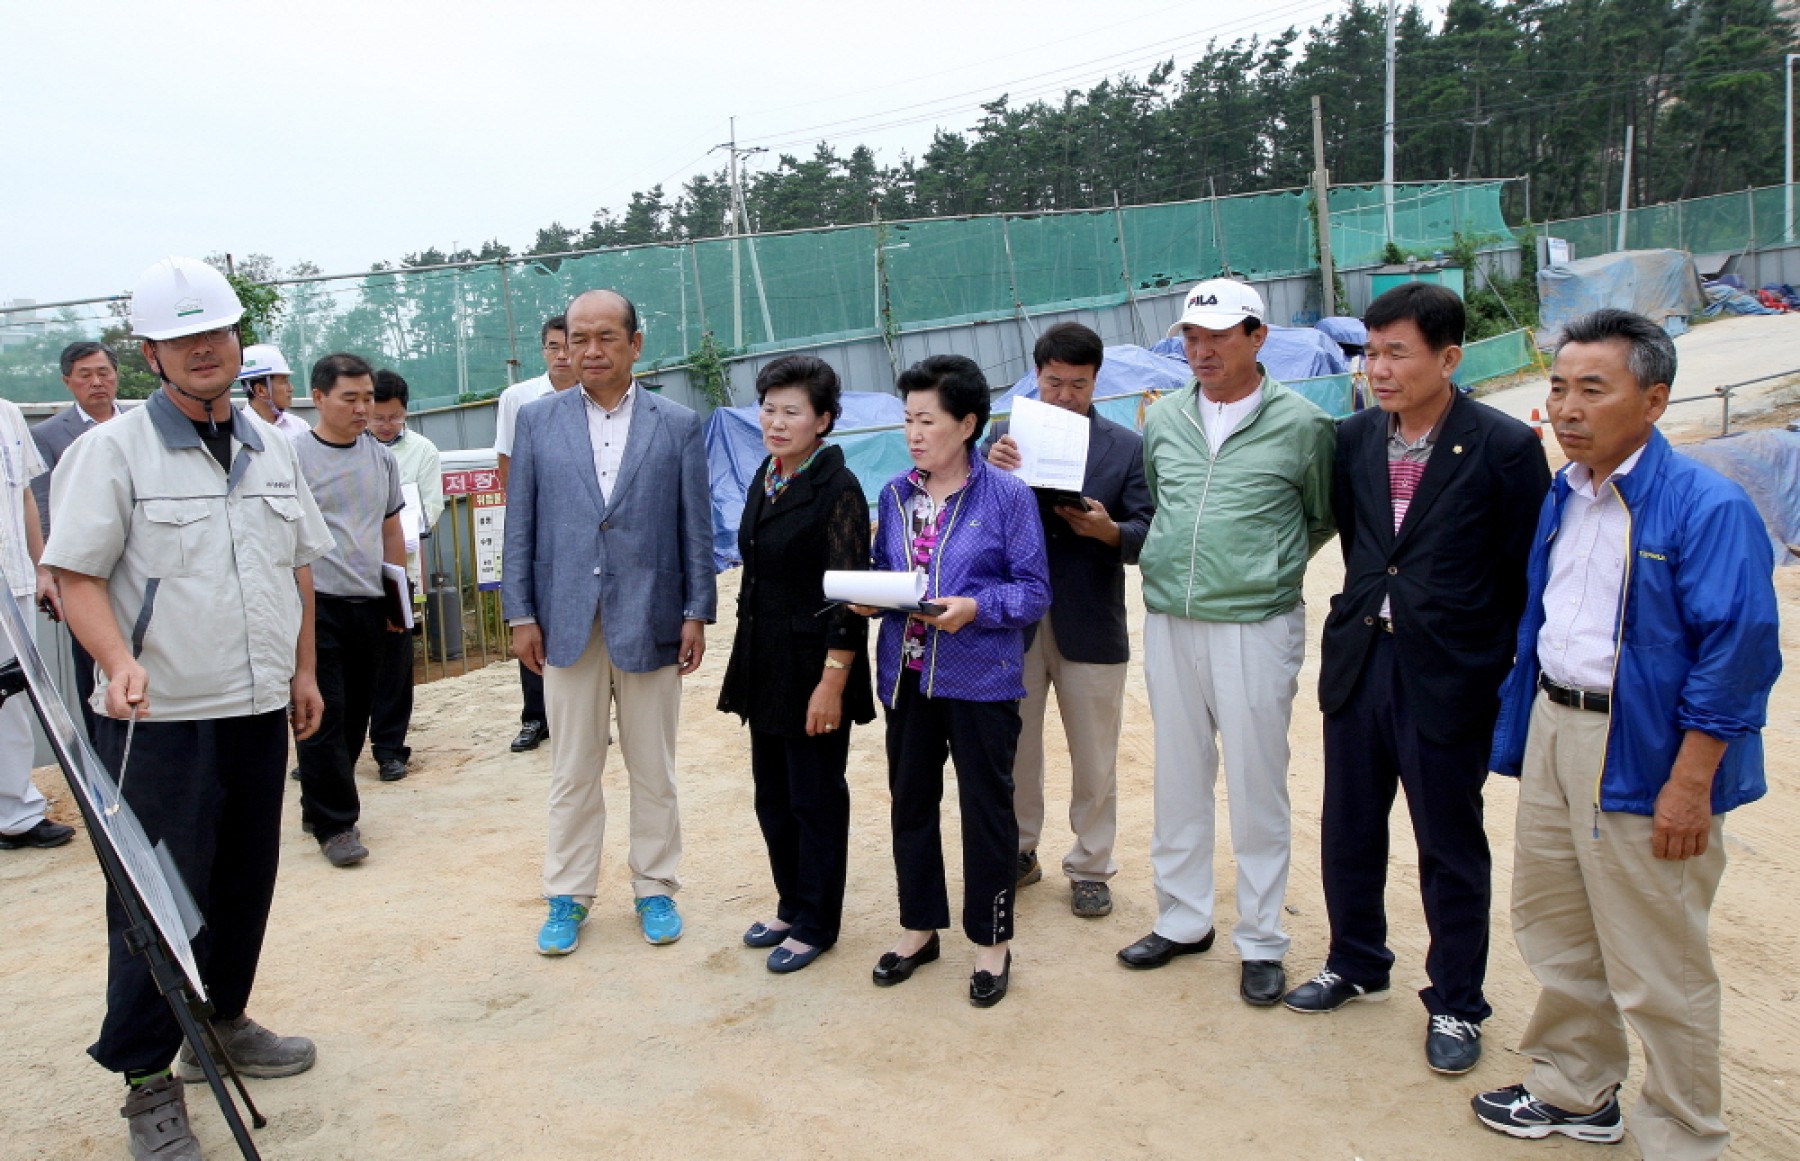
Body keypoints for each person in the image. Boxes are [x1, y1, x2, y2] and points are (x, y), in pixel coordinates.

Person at [1472, 309, 1781, 1157]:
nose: (1566, 408)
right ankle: (1577, 1088)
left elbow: (1740, 653)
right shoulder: (1566, 493)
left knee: (1660, 962)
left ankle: (1685, 1132)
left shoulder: (1706, 505)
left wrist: (1692, 780)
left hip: (1647, 748)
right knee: (1557, 926)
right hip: (1556, 727)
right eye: (1559, 387)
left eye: (1591, 390)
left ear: (1653, 399)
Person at [43, 257, 331, 1161]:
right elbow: (72, 574)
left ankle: (223, 1021)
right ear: (150, 353)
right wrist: (117, 658)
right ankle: (145, 1083)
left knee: (245, 878)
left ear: (238, 340)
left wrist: (304, 673)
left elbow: (297, 569)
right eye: (182, 337)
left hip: (253, 706)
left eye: (216, 331)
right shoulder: (109, 453)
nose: (205, 348)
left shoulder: (272, 443)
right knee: (155, 899)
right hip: (156, 719)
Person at [1284, 283, 1550, 1075]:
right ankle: (1356, 958)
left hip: (1449, 671)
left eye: (1397, 351)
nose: (1380, 368)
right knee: (1349, 825)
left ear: (1449, 357)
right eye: (1372, 351)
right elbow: (1366, 542)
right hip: (1364, 661)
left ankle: (1459, 1003)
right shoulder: (1357, 436)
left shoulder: (1503, 445)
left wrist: (1488, 661)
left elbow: (1522, 569)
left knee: (1449, 842)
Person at [1121, 278, 1335, 1008]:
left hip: (1255, 621)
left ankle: (1263, 938)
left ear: (1257, 337)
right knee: (1178, 774)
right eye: (1190, 335)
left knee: (1255, 781)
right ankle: (1182, 919)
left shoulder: (1304, 423)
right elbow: (1162, 500)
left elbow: (1319, 515)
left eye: (1217, 335)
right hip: (1170, 617)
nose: (1201, 349)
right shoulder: (1167, 417)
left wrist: (1265, 568)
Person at [503, 290, 715, 955]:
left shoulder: (677, 423)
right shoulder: (538, 422)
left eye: (604, 337)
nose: (589, 350)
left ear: (635, 343)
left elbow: (695, 528)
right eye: (577, 337)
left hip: (651, 613)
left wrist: (696, 611)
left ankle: (655, 886)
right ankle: (567, 894)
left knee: (655, 765)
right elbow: (521, 527)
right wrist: (520, 612)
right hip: (565, 617)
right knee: (572, 766)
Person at [864, 354, 1050, 1008]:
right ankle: (919, 929)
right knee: (910, 803)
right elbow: (891, 577)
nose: (914, 433)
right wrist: (871, 596)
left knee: (986, 812)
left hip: (983, 681)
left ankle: (991, 944)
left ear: (968, 422)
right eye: (907, 419)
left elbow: (1033, 592)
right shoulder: (892, 495)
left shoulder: (1008, 497)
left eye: (928, 419)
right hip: (907, 677)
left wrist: (978, 608)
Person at [984, 322, 1153, 920]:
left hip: (1091, 615)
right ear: (1036, 376)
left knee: (1095, 752)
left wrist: (1108, 531)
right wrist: (991, 470)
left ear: (1096, 381)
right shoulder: (1004, 439)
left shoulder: (1127, 447)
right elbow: (974, 518)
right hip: (1015, 619)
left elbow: (1146, 531)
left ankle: (1090, 864)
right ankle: (1021, 848)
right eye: (1053, 382)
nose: (1062, 396)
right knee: (1015, 744)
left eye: (1077, 385)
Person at [717, 355, 874, 974]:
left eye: (792, 412)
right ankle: (791, 901)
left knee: (815, 797)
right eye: (769, 408)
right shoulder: (768, 473)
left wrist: (833, 679)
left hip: (814, 668)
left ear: (824, 420)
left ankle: (817, 922)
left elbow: (849, 592)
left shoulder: (838, 489)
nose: (775, 422)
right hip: (764, 662)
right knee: (772, 797)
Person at [290, 353, 407, 867]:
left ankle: (319, 806)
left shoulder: (381, 457)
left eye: (367, 398)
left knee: (357, 709)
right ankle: (338, 825)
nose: (362, 409)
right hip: (316, 604)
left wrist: (397, 598)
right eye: (350, 399)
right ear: (318, 398)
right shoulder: (292, 457)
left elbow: (390, 528)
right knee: (325, 708)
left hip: (370, 599)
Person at [31, 340, 123, 740]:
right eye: (85, 375)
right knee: (93, 668)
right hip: (84, 574)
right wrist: (52, 571)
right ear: (68, 381)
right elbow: (43, 506)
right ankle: (103, 765)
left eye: (104, 373)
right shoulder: (48, 435)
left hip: (142, 569)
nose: (97, 382)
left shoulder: (144, 425)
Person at [495, 315, 576, 754]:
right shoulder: (519, 399)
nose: (562, 355)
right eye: (553, 346)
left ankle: (587, 715)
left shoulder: (600, 394)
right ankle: (535, 717)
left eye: (569, 345)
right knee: (534, 620)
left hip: (587, 531)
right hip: (539, 531)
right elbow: (506, 462)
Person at [0, 393, 74, 853]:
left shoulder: (7, 414)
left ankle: (15, 812)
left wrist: (41, 567)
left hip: (14, 579)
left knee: (12, 699)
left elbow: (25, 493)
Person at [367, 369, 444, 782]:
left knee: (396, 662)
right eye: (379, 417)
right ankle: (331, 748)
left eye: (394, 417)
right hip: (350, 572)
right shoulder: (352, 445)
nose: (385, 425)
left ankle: (389, 748)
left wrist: (407, 529)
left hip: (401, 570)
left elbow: (432, 505)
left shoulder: (422, 450)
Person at [237, 343, 310, 438]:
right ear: (260, 390)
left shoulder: (300, 427)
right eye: (284, 382)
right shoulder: (238, 431)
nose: (291, 388)